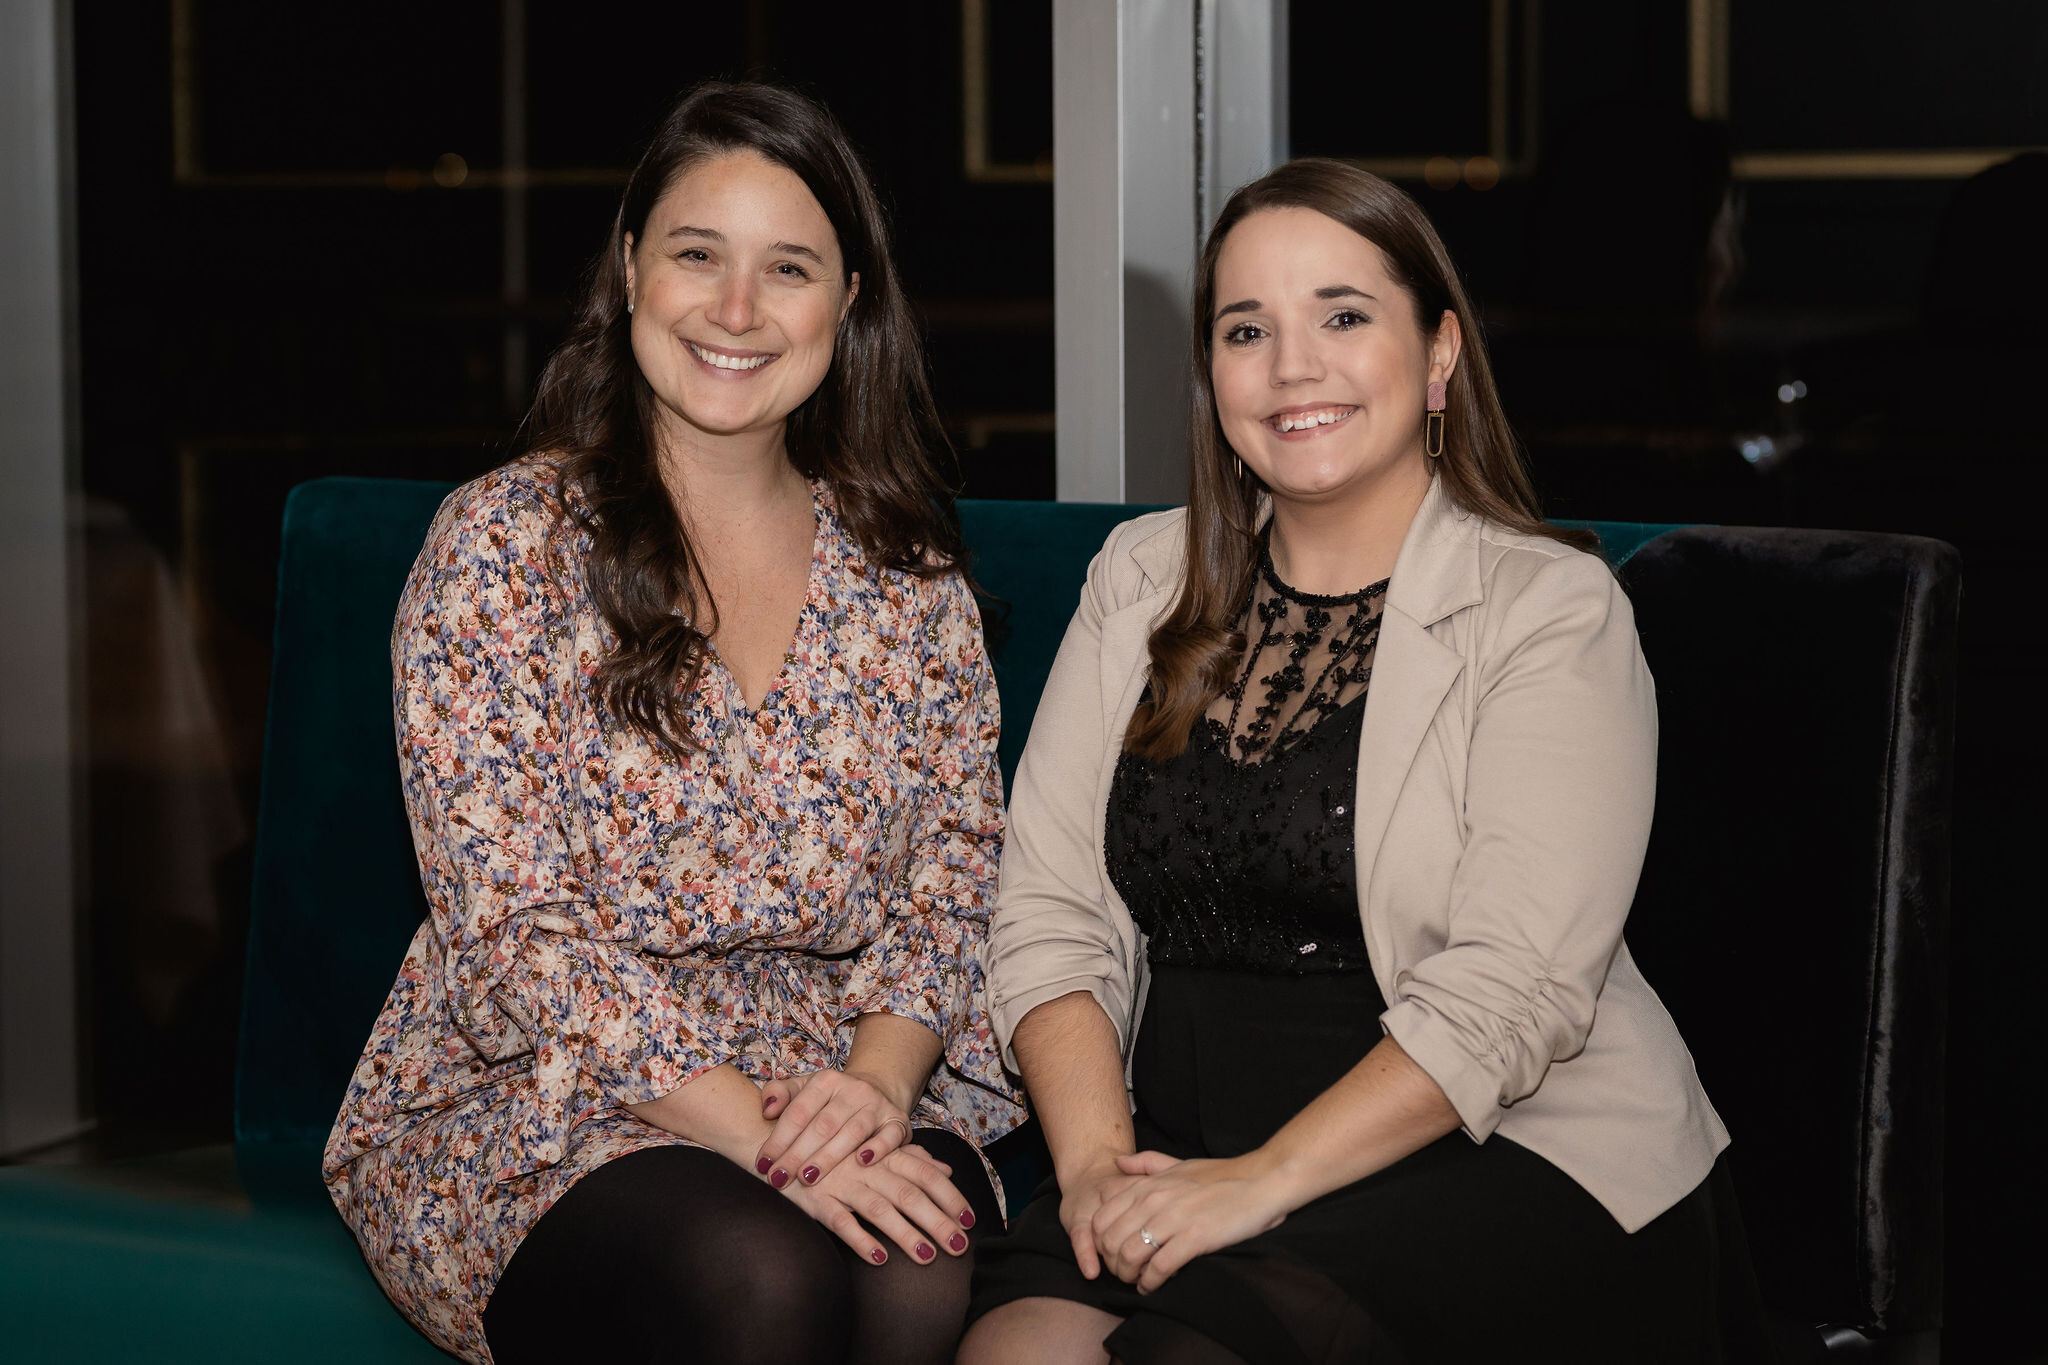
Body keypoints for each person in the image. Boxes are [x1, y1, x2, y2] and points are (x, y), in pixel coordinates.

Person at [961, 159, 1768, 1364]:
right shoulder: (1137, 579)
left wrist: (1257, 1183)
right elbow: (1049, 912)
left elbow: (1514, 992)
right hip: (1174, 1142)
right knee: (1014, 1352)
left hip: (1498, 1151)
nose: (1293, 365)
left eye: (1342, 315)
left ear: (1438, 354)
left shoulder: (1549, 609)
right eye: (1248, 329)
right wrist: (1092, 1171)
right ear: (1212, 373)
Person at [322, 81, 1024, 1365]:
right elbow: (515, 930)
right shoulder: (502, 546)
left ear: (849, 301)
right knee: (759, 1275)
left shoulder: (908, 577)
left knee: (911, 1270)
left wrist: (870, 1091)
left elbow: (953, 881)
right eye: (698, 255)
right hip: (550, 1092)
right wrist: (761, 1142)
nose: (738, 311)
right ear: (630, 266)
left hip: (847, 1077)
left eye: (790, 268)